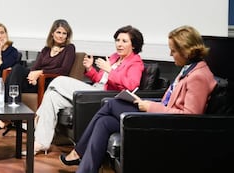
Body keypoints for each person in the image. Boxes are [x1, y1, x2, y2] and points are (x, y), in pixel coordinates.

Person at [59, 25, 217, 173]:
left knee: (112, 103)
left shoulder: (198, 77)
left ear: (186, 51)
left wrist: (149, 107)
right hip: (163, 114)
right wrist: (146, 103)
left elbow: (190, 118)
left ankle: (78, 152)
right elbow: (169, 101)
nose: (170, 54)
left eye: (173, 51)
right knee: (104, 122)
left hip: (169, 124)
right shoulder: (188, 70)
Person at [29, 25, 145, 155]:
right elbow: (99, 79)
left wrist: (110, 70)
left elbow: (131, 85)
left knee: (59, 80)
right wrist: (90, 69)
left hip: (106, 97)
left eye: (124, 41)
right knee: (52, 96)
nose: (119, 44)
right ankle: (41, 143)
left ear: (133, 45)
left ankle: (37, 116)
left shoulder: (135, 63)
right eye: (117, 40)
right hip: (95, 89)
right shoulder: (114, 57)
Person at [0, 19, 76, 129]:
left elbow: (63, 70)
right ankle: (11, 114)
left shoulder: (69, 49)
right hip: (36, 81)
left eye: (64, 33)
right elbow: (34, 67)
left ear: (67, 36)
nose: (61, 36)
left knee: (17, 71)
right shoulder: (46, 49)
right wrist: (32, 76)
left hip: (49, 82)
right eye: (58, 32)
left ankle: (8, 116)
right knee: (17, 69)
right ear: (52, 33)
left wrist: (41, 72)